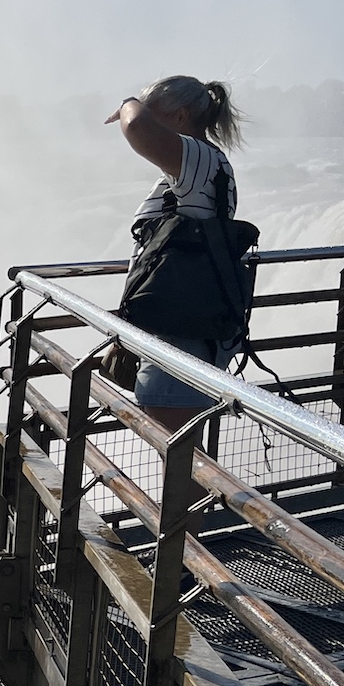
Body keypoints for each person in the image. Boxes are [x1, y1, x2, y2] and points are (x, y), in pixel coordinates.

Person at [104, 75, 245, 432]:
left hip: (183, 331)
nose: (146, 119)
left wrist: (128, 103)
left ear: (181, 117)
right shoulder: (195, 167)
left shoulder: (197, 156)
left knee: (182, 456)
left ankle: (209, 492)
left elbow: (136, 126)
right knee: (179, 451)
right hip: (179, 324)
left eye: (156, 114)